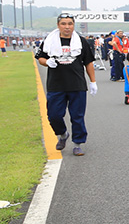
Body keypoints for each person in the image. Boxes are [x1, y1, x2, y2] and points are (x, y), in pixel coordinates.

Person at [35, 13, 97, 156]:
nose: (67, 27)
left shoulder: (81, 41)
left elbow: (88, 62)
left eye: (70, 24)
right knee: (54, 116)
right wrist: (47, 62)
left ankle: (77, 144)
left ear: (73, 25)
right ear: (58, 25)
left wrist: (93, 82)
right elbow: (41, 58)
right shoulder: (49, 41)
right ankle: (63, 134)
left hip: (77, 85)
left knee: (77, 116)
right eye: (63, 24)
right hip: (56, 85)